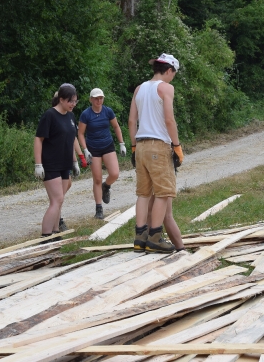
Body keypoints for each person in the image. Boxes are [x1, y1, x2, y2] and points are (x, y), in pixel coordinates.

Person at [128, 53, 185, 254]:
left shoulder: (139, 89)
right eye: (173, 74)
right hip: (158, 145)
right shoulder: (166, 88)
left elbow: (131, 121)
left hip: (141, 145)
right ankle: (155, 237)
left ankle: (140, 237)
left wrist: (133, 147)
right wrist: (176, 146)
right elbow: (169, 120)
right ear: (169, 70)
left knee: (143, 193)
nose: (172, 78)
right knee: (163, 192)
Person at [33, 83, 84, 238]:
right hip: (51, 163)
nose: (73, 104)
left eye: (75, 101)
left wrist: (75, 161)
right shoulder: (50, 115)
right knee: (57, 199)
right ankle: (45, 237)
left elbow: (71, 139)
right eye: (70, 101)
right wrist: (38, 164)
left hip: (65, 164)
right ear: (61, 99)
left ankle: (55, 233)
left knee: (60, 200)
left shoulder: (70, 116)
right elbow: (38, 139)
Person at [78, 88, 127, 219]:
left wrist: (121, 143)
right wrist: (85, 149)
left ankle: (106, 186)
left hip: (107, 145)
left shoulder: (108, 111)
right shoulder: (86, 114)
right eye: (96, 98)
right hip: (93, 148)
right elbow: (81, 133)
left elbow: (116, 126)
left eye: (100, 98)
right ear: (91, 100)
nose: (98, 100)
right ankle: (99, 208)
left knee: (115, 173)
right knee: (97, 179)